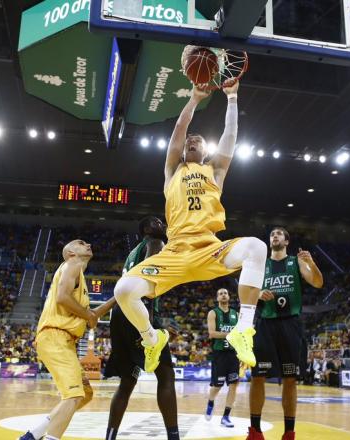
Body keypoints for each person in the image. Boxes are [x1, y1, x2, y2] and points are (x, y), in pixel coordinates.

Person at [113, 81, 267, 373]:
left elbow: (230, 136)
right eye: (188, 142)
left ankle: (243, 330)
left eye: (197, 140)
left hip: (210, 248)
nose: (191, 141)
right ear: (182, 151)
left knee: (257, 247)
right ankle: (151, 338)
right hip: (175, 253)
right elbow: (178, 131)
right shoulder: (172, 171)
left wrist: (232, 97)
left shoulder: (215, 170)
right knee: (124, 290)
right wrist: (194, 99)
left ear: (206, 149)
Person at [18, 240, 116, 440]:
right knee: (73, 395)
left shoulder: (78, 275)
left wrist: (119, 297)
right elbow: (63, 297)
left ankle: (33, 435)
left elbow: (92, 315)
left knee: (85, 393)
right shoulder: (73, 264)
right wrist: (88, 315)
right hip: (55, 336)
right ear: (71, 252)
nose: (88, 243)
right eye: (81, 243)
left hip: (64, 340)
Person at [104, 217, 179, 440]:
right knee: (166, 376)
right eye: (158, 223)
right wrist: (146, 330)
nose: (163, 226)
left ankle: (110, 437)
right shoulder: (155, 244)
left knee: (127, 381)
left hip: (118, 315)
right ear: (147, 229)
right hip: (138, 312)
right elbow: (147, 279)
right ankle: (173, 438)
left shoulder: (132, 252)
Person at [247, 227, 323, 440]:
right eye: (272, 234)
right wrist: (259, 293)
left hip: (291, 324)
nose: (275, 236)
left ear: (287, 241)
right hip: (265, 324)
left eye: (279, 234)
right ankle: (255, 431)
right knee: (257, 377)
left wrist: (312, 263)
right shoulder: (261, 264)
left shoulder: (296, 262)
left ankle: (289, 433)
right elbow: (247, 292)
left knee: (290, 379)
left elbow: (318, 282)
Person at [205, 288, 240, 428]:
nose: (223, 295)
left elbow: (241, 334)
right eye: (220, 293)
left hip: (233, 354)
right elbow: (212, 333)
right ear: (217, 298)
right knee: (217, 386)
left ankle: (226, 416)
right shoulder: (213, 313)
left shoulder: (236, 314)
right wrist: (230, 333)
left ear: (229, 296)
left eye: (225, 293)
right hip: (219, 354)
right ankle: (210, 401)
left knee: (233, 385)